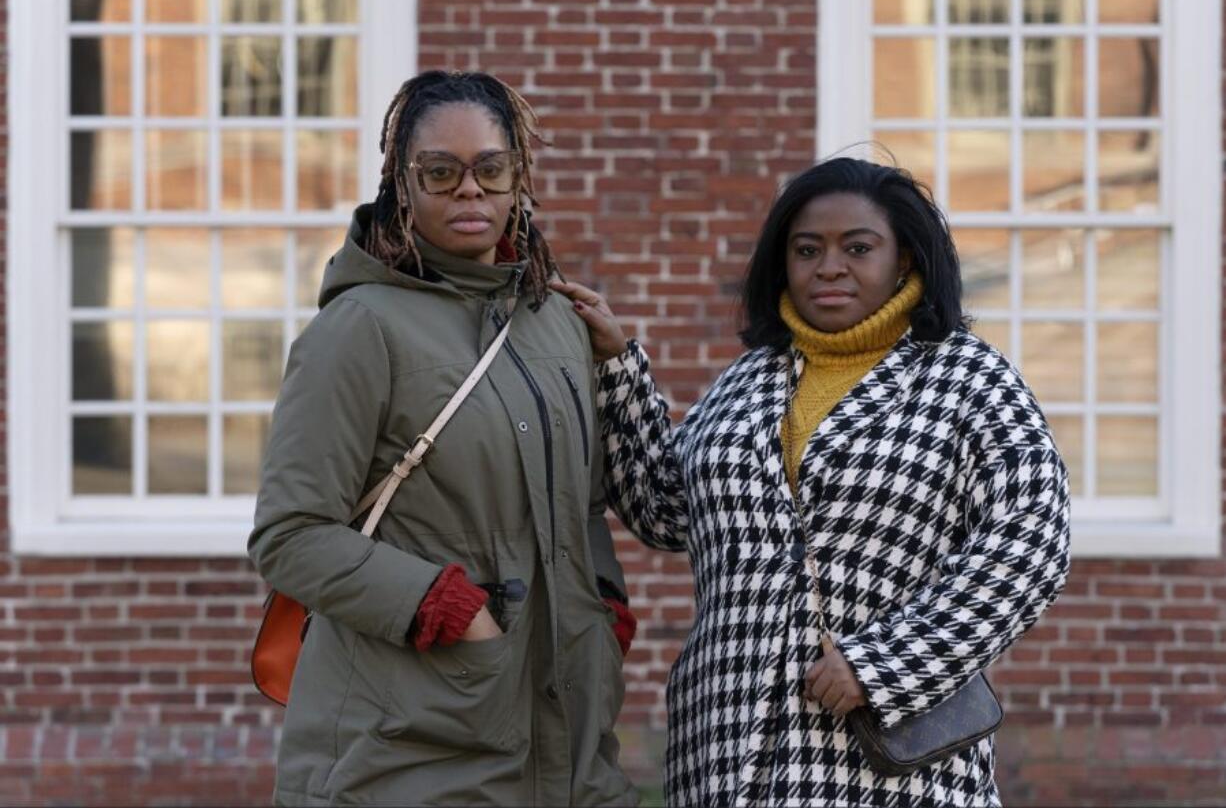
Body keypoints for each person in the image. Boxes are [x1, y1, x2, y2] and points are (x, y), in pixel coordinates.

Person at [554, 156, 1071, 807]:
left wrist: (885, 665)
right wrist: (618, 366)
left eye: (858, 247)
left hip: (890, 763)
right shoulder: (749, 382)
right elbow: (663, 506)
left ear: (904, 258)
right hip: (726, 753)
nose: (828, 266)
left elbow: (1030, 546)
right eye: (807, 249)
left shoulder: (969, 381)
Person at [248, 70, 638, 807]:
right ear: (403, 182)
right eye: (441, 171)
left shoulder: (554, 321)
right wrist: (444, 603)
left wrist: (600, 603)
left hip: (571, 740)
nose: (470, 190)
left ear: (518, 175)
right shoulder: (359, 329)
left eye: (490, 168)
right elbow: (290, 534)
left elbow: (583, 503)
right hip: (410, 747)